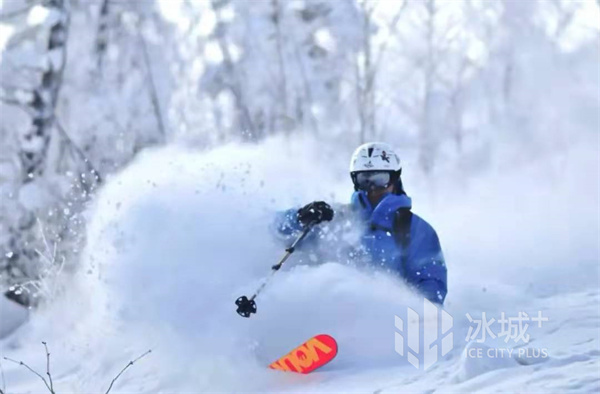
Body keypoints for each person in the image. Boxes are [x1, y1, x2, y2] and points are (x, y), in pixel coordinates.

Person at [274, 142, 447, 304]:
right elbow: (276, 233)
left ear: (394, 179)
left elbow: (431, 287)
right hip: (325, 318)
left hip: (385, 323)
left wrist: (417, 326)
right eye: (364, 179)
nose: (372, 188)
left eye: (380, 179)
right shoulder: (335, 219)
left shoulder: (415, 229)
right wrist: (299, 217)